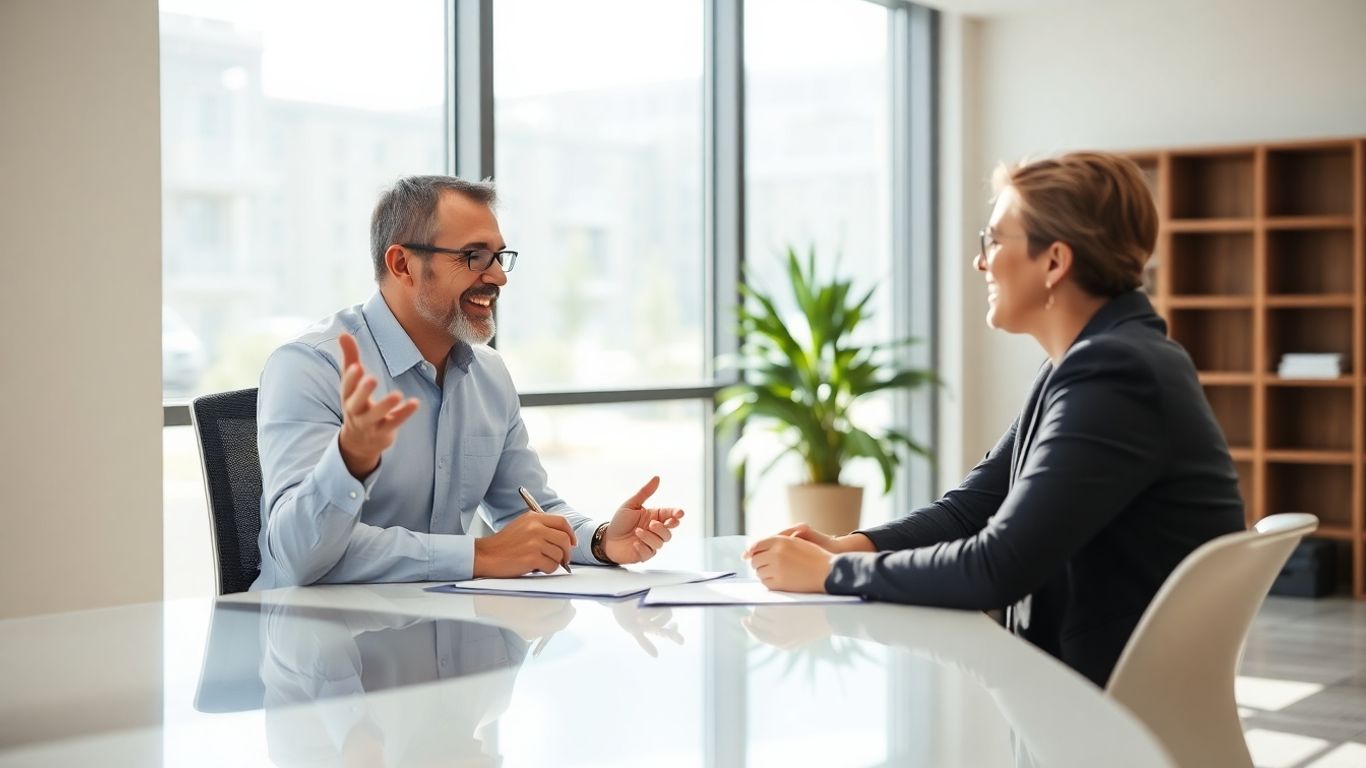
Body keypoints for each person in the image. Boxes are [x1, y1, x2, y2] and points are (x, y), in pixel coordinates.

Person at [744, 152, 1245, 687]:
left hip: (1102, 708)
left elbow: (997, 568)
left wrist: (831, 575)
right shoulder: (1086, 363)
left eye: (995, 241)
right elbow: (972, 510)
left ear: (1054, 262)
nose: (980, 262)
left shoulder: (1115, 374)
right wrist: (850, 546)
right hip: (1078, 687)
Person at [252, 175, 683, 589]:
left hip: (442, 629)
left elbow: (527, 508)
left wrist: (602, 541)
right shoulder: (312, 366)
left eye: (499, 256)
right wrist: (350, 460)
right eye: (475, 257)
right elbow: (297, 556)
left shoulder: (488, 373)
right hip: (315, 642)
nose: (498, 277)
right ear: (403, 264)